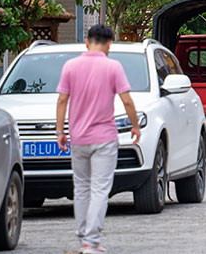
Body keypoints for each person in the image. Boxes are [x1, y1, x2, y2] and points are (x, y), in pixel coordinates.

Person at [55, 25, 141, 254]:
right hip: (104, 138)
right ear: (109, 44)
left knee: (81, 188)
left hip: (78, 138)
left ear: (87, 42)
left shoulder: (70, 66)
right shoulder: (113, 66)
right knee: (100, 189)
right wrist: (135, 126)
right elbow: (127, 101)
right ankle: (91, 243)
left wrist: (60, 131)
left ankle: (83, 238)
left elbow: (62, 100)